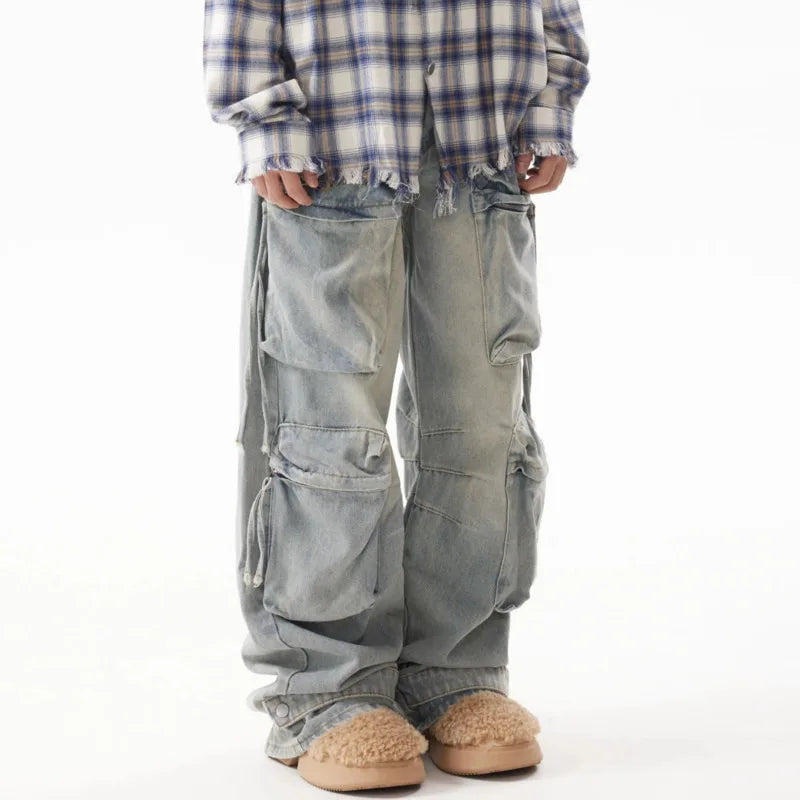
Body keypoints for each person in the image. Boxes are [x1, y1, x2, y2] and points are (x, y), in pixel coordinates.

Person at [203, 0, 589, 791]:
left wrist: (551, 105)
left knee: (481, 424)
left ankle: (456, 672)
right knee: (328, 425)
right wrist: (264, 118)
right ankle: (326, 687)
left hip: (485, 142)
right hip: (330, 148)